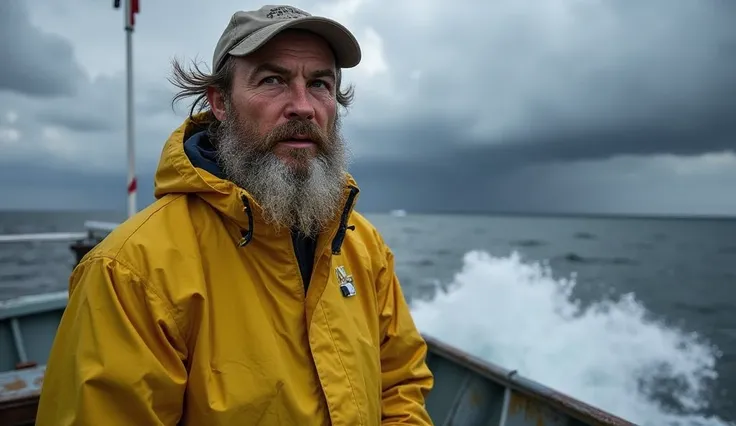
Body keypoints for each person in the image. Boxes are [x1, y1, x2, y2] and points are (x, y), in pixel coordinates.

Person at [35, 4, 434, 425]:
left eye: (320, 83)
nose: (302, 106)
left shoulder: (362, 244)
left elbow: (401, 385)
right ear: (220, 102)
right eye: (273, 80)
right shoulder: (132, 271)